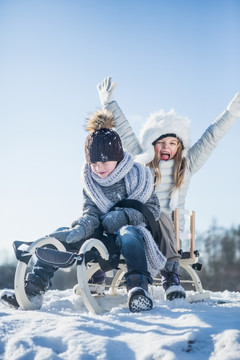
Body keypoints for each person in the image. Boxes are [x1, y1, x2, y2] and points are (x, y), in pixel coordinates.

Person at [3, 109, 166, 313]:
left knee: (128, 233)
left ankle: (138, 288)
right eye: (94, 163)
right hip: (100, 237)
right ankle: (34, 289)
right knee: (60, 235)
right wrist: (81, 228)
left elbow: (152, 209)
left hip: (133, 234)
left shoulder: (138, 176)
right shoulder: (90, 182)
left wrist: (124, 216)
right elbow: (90, 213)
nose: (98, 168)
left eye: (104, 162)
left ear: (118, 157)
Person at [96, 76, 240, 300]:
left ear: (179, 146)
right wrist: (109, 103)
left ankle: (170, 279)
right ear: (153, 144)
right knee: (106, 218)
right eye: (161, 143)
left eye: (173, 143)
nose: (167, 147)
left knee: (162, 218)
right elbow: (125, 132)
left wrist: (231, 114)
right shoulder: (141, 160)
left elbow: (211, 138)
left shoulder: (187, 164)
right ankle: (96, 274)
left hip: (171, 231)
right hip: (141, 225)